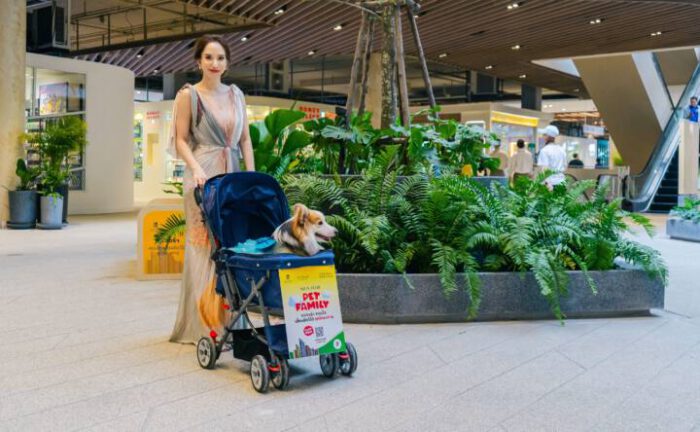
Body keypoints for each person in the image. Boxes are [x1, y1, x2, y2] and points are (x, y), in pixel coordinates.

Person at [169, 35, 255, 344]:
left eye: (220, 58)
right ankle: (204, 326)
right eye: (208, 57)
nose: (214, 63)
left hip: (232, 175)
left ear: (227, 63)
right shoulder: (188, 96)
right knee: (204, 248)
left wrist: (251, 176)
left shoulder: (236, 95)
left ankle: (230, 322)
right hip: (203, 175)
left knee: (230, 246)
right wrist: (195, 168)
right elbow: (181, 139)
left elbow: (245, 139)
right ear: (198, 61)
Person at [536, 125, 567, 189]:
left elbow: (544, 170)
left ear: (548, 137)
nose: (543, 137)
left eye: (544, 135)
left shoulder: (545, 150)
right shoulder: (562, 150)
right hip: (561, 182)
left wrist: (547, 184)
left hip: (549, 184)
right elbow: (565, 166)